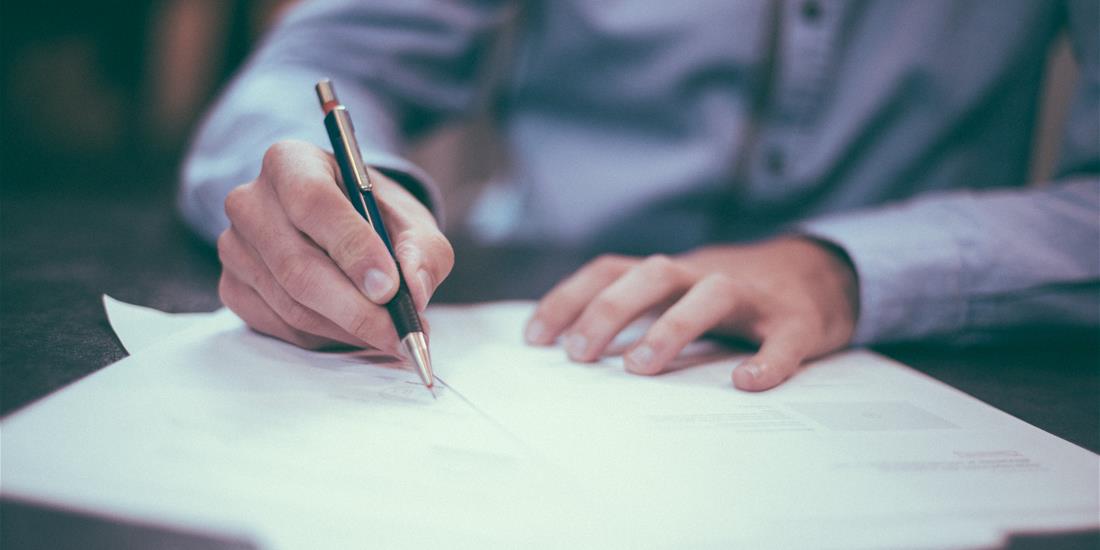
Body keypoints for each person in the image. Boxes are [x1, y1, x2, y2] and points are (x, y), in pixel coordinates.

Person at [180, 0, 1099, 391]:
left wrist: (846, 270)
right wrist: (327, 205)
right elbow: (308, 71)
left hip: (928, 353)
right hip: (539, 322)